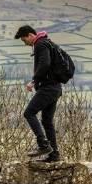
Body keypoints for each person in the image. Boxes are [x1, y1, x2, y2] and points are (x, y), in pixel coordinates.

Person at [15, 25, 62, 162]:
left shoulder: (40, 44)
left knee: (29, 113)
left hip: (48, 88)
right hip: (55, 88)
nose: (25, 44)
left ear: (30, 35)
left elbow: (45, 64)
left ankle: (43, 145)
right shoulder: (47, 42)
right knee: (47, 121)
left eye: (24, 40)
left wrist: (34, 81)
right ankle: (54, 155)